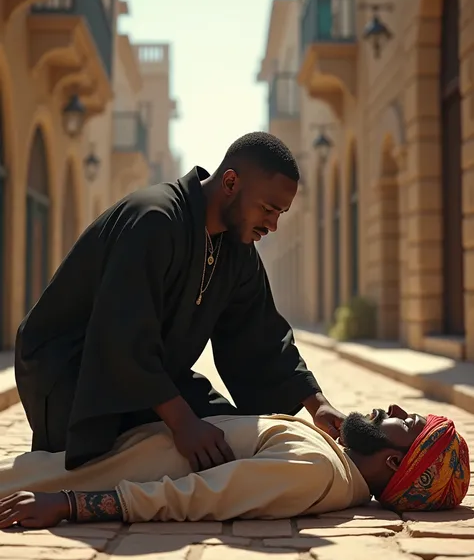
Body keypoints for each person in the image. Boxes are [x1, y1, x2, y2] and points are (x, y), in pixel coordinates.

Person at [15, 132, 344, 472]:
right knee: (151, 462)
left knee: (232, 442)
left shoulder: (237, 249)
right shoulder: (154, 219)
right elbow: (120, 334)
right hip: (75, 372)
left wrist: (317, 405)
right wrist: (183, 423)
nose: (273, 225)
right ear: (231, 182)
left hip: (150, 376)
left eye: (281, 213)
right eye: (267, 209)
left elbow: (260, 334)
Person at [0, 405, 469, 529]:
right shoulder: (329, 459)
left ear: (393, 460)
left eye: (405, 422)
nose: (390, 407)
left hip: (63, 479)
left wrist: (67, 504)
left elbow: (195, 497)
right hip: (86, 457)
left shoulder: (315, 469)